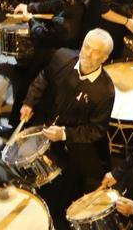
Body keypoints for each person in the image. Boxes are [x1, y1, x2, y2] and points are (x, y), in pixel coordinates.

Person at [18, 29, 116, 218]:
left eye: (96, 51)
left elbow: (97, 129)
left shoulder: (105, 92)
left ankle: (53, 215)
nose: (88, 53)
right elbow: (43, 78)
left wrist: (65, 134)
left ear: (104, 58)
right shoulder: (62, 56)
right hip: (45, 124)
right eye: (87, 46)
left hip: (72, 145)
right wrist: (29, 101)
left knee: (63, 185)